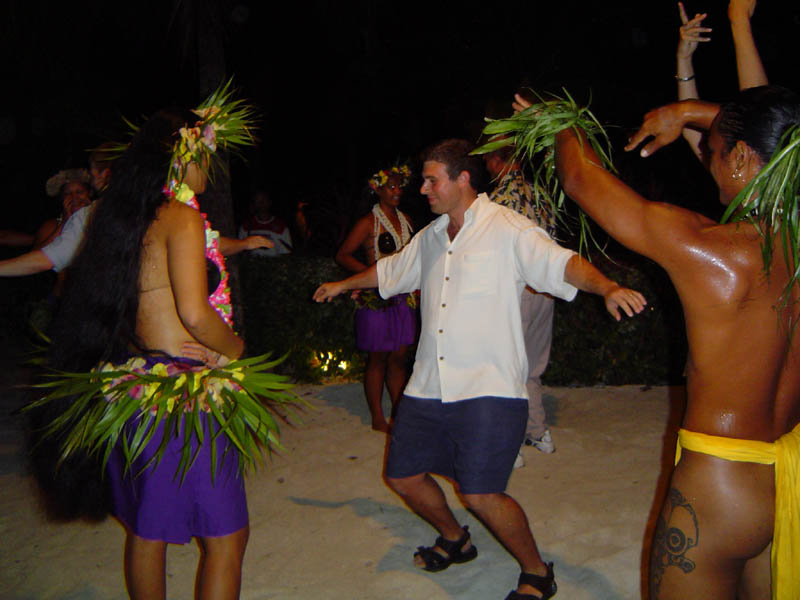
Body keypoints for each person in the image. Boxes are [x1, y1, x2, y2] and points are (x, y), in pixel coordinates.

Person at [314, 139, 646, 599]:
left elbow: (561, 262)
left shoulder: (508, 228)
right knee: (402, 476)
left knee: (480, 493)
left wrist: (606, 286)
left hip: (489, 388)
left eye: (432, 180)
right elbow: (391, 270)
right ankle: (455, 538)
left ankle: (536, 572)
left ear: (462, 179)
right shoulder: (430, 237)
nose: (423, 188)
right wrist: (343, 283)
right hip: (429, 385)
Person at [28, 90, 284, 599]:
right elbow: (194, 313)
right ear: (187, 153)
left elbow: (116, 302)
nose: (209, 166)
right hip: (184, 399)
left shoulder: (120, 217)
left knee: (149, 530)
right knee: (227, 537)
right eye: (207, 154)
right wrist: (237, 351)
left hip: (136, 391)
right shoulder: (182, 218)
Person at [551, 86, 800, 599]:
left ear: (744, 157)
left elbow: (579, 178)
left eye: (712, 152)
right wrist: (689, 112)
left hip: (719, 487)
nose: (706, 162)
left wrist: (557, 120)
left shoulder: (716, 251)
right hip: (788, 476)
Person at [485, 146, 557, 457]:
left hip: (517, 292)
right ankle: (539, 432)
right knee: (531, 367)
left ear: (496, 160)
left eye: (488, 159)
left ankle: (510, 445)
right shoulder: (541, 193)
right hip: (545, 289)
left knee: (506, 367)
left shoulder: (498, 201)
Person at [334, 165, 416, 432]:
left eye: (399, 186)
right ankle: (378, 418)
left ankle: (399, 410)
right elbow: (343, 254)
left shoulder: (406, 220)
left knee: (399, 357)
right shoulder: (368, 223)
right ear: (377, 189)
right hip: (375, 299)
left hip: (402, 297)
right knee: (378, 358)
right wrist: (372, 275)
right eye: (390, 187)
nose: (396, 191)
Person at [676, 0, 768, 158]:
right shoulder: (751, 178)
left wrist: (684, 59)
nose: (706, 148)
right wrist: (739, 19)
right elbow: (759, 120)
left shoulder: (733, 175)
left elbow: (691, 132)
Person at [239, 189, 292, 256]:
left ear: (269, 202)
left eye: (263, 200)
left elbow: (286, 253)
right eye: (257, 201)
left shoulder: (281, 227)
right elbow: (240, 251)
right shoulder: (246, 226)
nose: (261, 204)